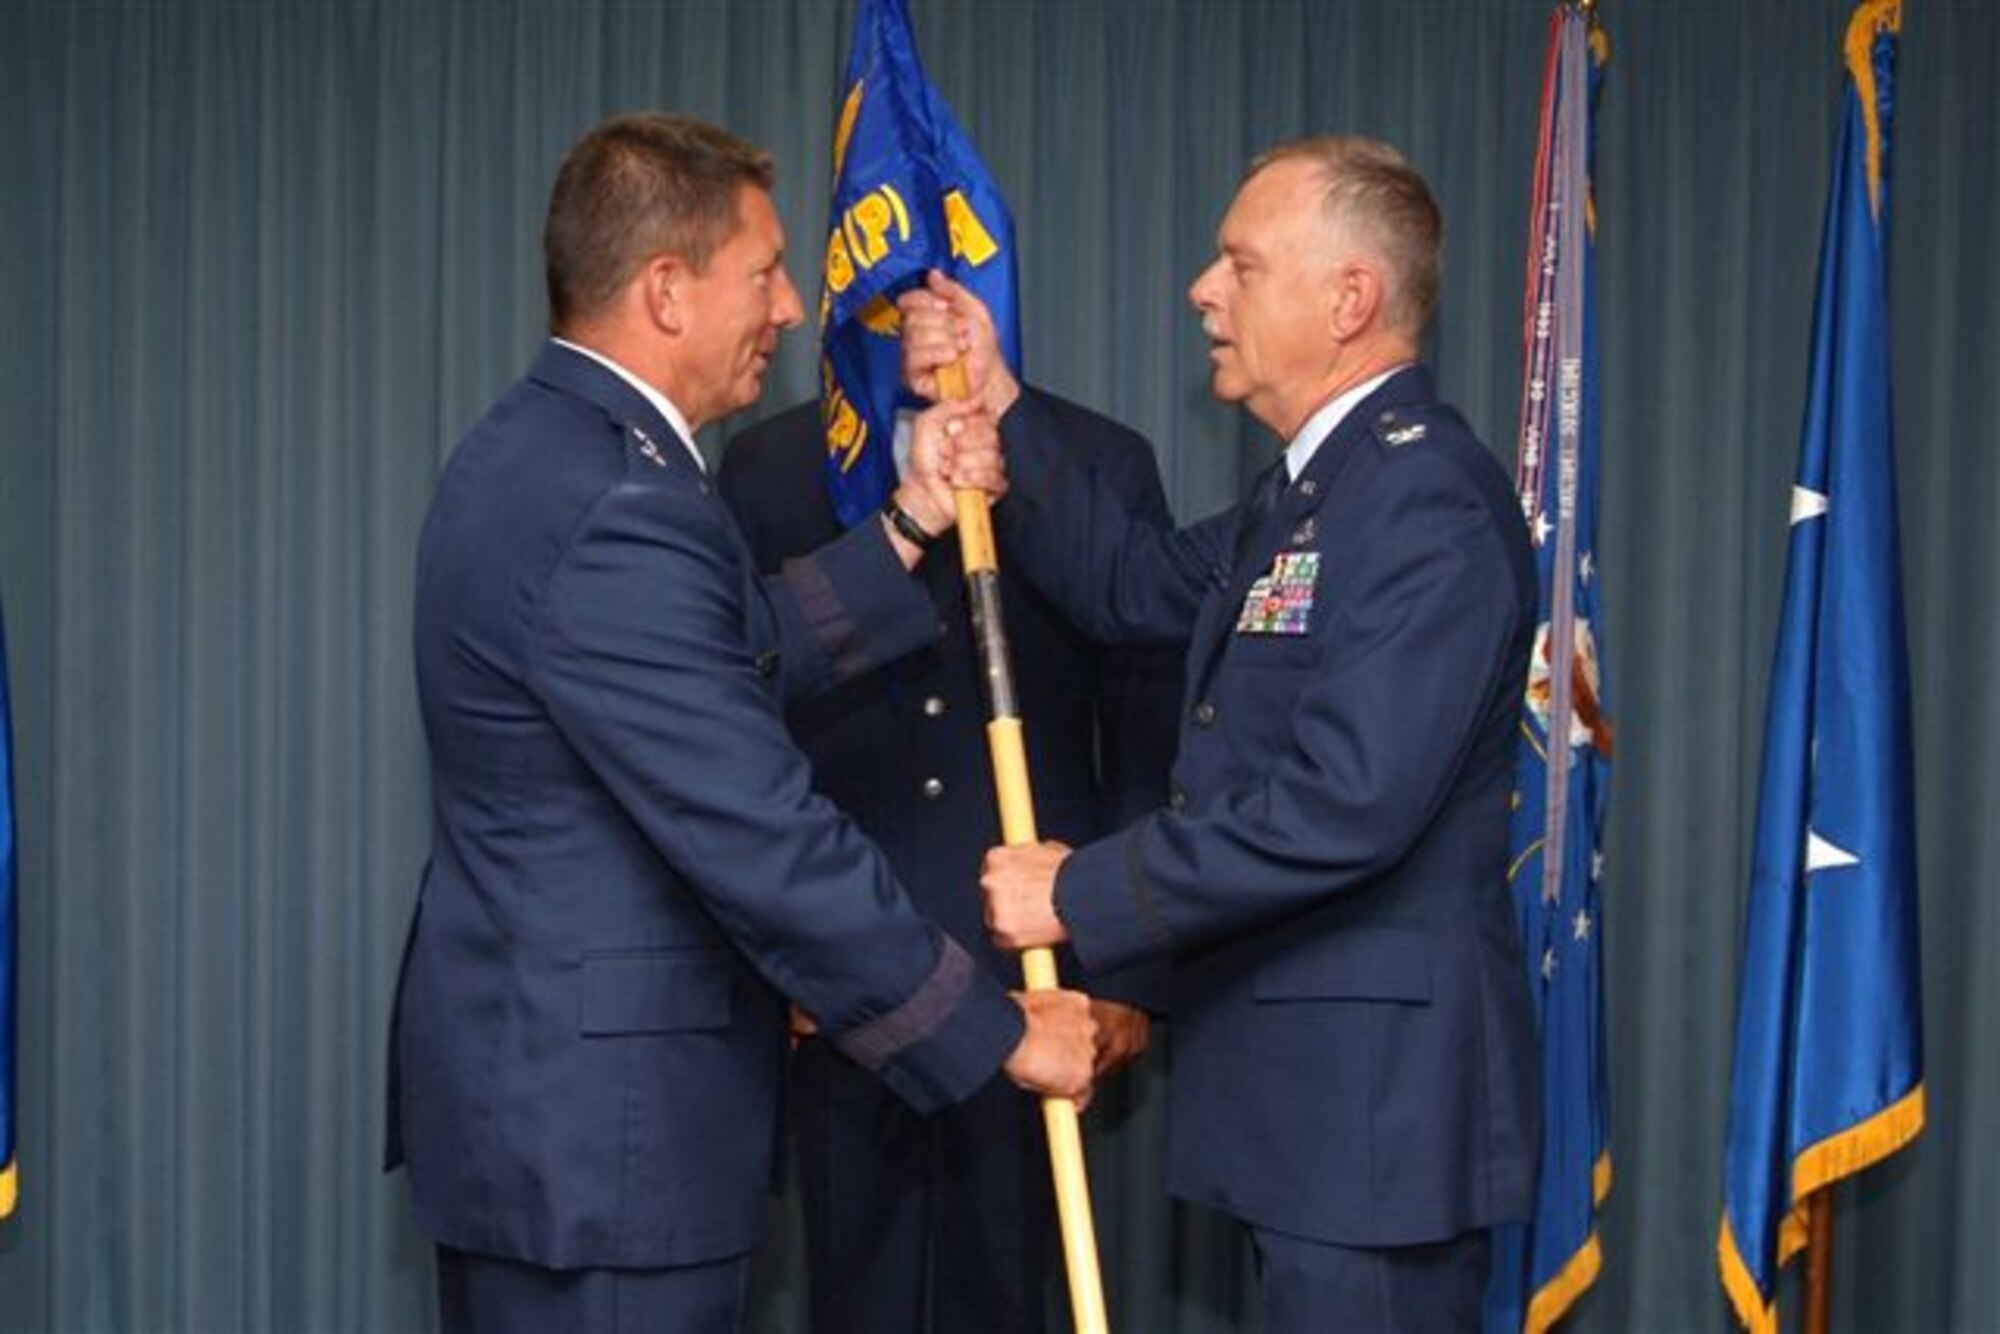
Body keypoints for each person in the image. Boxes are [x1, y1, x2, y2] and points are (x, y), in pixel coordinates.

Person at [383, 111, 1097, 1334]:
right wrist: (996, 1030)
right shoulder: (615, 496)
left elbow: (723, 653)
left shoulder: (557, 451)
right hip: (603, 1144)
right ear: (665, 289)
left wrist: (907, 523)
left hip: (562, 1117)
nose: (787, 306)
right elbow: (758, 829)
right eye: (764, 271)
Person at [903, 136, 1541, 1333]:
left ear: (1348, 299)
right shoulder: (1310, 493)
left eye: (1240, 264)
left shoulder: (1425, 503)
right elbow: (1132, 585)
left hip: (1373, 1130)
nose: (1202, 286)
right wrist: (996, 398)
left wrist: (1076, 892)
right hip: (1304, 1115)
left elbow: (1341, 805)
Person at [718, 394, 1181, 1334]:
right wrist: (771, 965)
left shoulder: (1096, 457)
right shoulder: (771, 463)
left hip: (1039, 972)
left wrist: (1129, 967)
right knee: (855, 1290)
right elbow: (732, 719)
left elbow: (1146, 725)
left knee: (1009, 1289)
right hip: (841, 974)